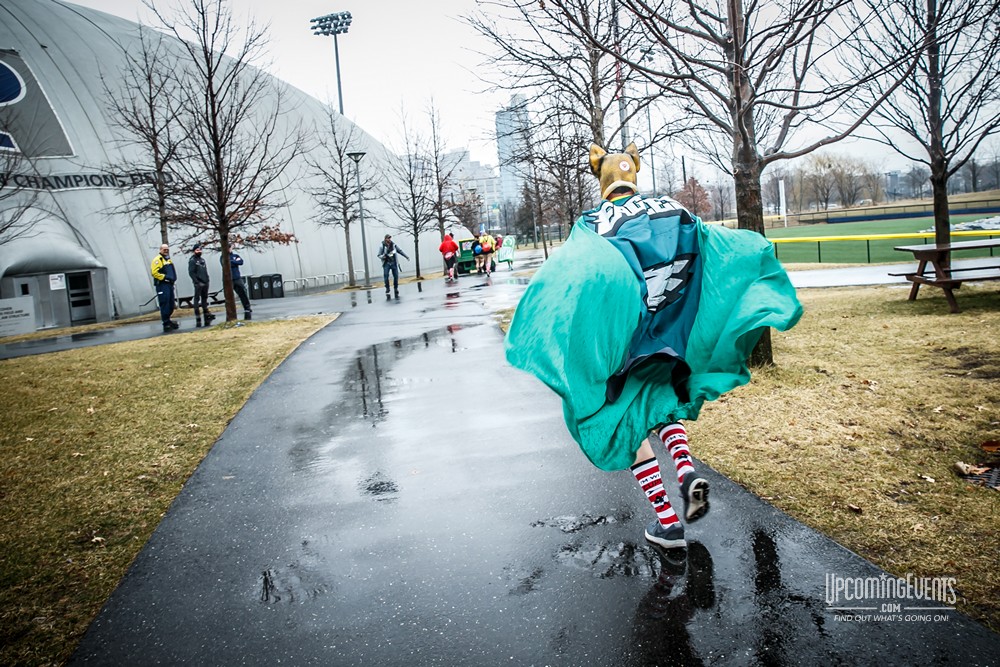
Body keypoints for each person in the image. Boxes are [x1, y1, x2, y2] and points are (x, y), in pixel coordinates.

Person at [505, 143, 803, 553]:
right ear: (633, 175)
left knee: (625, 423)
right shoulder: (670, 207)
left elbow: (578, 272)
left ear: (602, 179)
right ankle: (684, 469)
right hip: (671, 337)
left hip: (628, 345)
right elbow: (709, 244)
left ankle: (667, 522)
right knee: (662, 405)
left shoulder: (594, 222)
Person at [150, 243, 179, 333]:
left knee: (170, 304)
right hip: (162, 285)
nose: (166, 251)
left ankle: (168, 320)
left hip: (169, 285)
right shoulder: (157, 260)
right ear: (160, 250)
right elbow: (154, 273)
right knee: (164, 303)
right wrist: (165, 278)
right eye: (164, 249)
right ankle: (165, 322)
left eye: (167, 249)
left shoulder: (168, 259)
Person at [187, 243, 216, 328]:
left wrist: (207, 279)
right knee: (197, 298)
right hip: (198, 283)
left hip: (205, 281)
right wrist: (196, 282)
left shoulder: (202, 260)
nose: (199, 251)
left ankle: (206, 312)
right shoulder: (192, 261)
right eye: (197, 250)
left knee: (205, 297)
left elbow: (205, 270)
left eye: (200, 250)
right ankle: (197, 314)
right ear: (194, 251)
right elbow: (191, 272)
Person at [223, 250, 252, 320]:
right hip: (229, 279)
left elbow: (241, 262)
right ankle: (230, 310)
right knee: (229, 296)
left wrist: (232, 262)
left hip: (237, 278)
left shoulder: (235, 256)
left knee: (243, 293)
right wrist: (234, 262)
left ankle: (247, 307)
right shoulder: (223, 257)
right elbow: (226, 264)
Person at [377, 234, 409, 298]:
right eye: (388, 238)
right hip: (386, 263)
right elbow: (378, 255)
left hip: (394, 263)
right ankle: (387, 288)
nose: (389, 239)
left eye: (390, 238)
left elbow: (399, 251)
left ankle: (395, 288)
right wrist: (383, 256)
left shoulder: (393, 245)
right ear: (385, 239)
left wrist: (406, 256)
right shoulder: (382, 246)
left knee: (396, 276)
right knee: (386, 276)